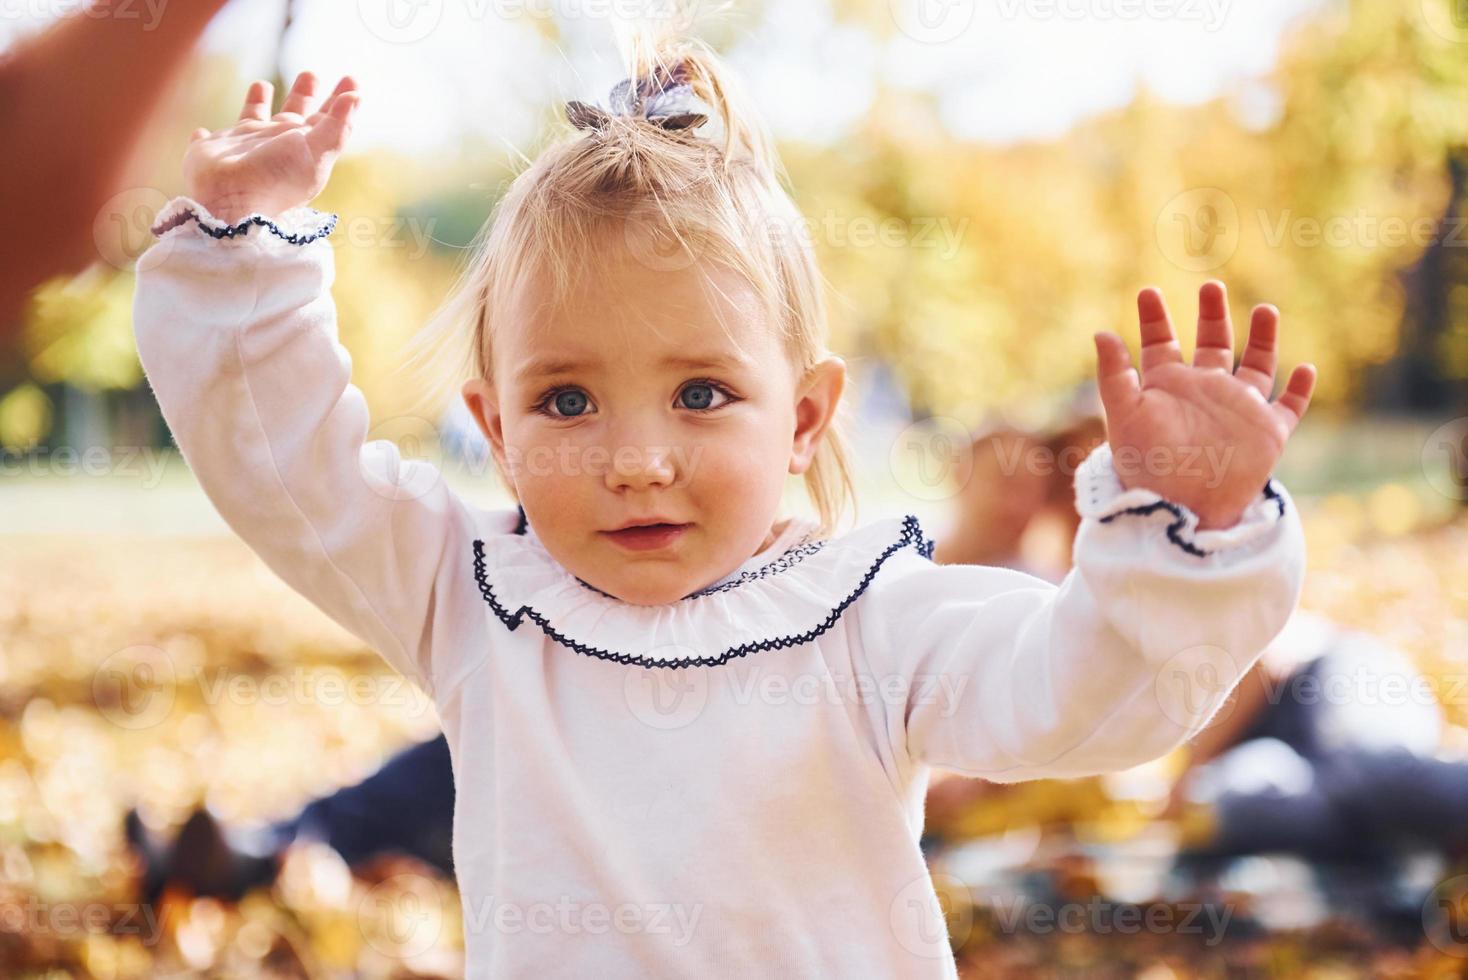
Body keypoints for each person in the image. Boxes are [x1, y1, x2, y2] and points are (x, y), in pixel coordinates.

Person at [128, 16, 1318, 975]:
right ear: (492, 428)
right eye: (566, 402)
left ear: (802, 417)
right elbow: (289, 474)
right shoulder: (466, 592)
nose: (637, 459)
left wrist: (1182, 533)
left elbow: (1075, 696)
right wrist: (244, 257)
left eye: (700, 393)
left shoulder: (872, 616)